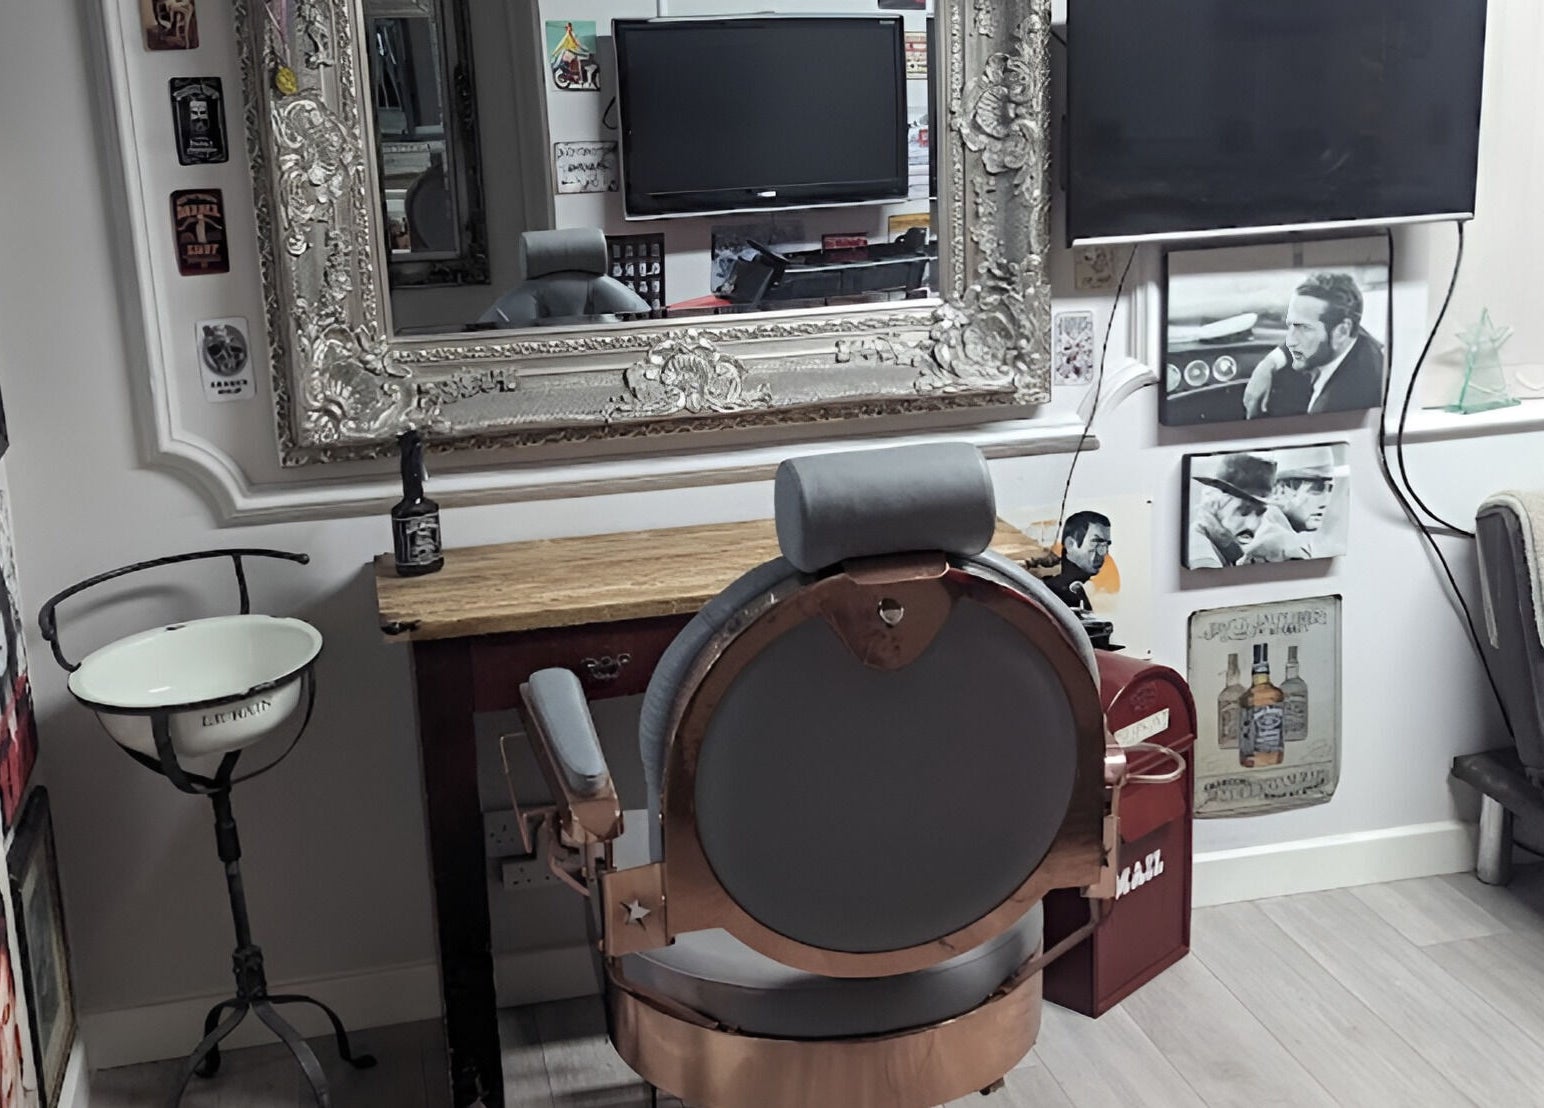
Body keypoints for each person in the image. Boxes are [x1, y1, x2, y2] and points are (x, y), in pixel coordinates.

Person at [1242, 273, 1384, 419]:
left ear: (1342, 331)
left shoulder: (1333, 409)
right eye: (1291, 326)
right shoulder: (1354, 337)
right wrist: (1268, 364)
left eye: (1304, 328)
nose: (1290, 341)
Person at [1244, 446, 1340, 563]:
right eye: (1316, 489)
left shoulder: (1258, 531)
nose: (1325, 502)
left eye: (1330, 488)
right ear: (1280, 489)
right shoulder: (1285, 551)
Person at [1189, 454, 1275, 569]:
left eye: (1260, 513)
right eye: (1243, 512)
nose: (1252, 525)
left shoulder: (1229, 549)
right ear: (1215, 504)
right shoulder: (1201, 556)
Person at [1046, 511, 1111, 612]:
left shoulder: (1091, 592)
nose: (1104, 552)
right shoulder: (1051, 594)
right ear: (1070, 544)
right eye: (1096, 543)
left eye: (1106, 545)